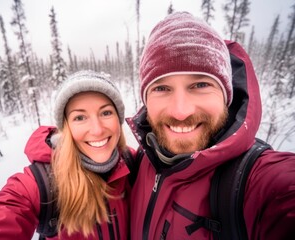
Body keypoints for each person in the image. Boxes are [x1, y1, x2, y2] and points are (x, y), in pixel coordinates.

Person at [126, 12, 295, 239]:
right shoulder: (143, 159)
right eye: (161, 88)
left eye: (200, 84)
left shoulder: (257, 181)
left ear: (226, 95)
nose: (180, 111)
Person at [0, 70, 134, 239]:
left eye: (106, 113)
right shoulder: (41, 184)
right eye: (80, 117)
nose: (97, 130)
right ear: (65, 127)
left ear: (118, 118)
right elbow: (0, 219)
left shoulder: (134, 162)